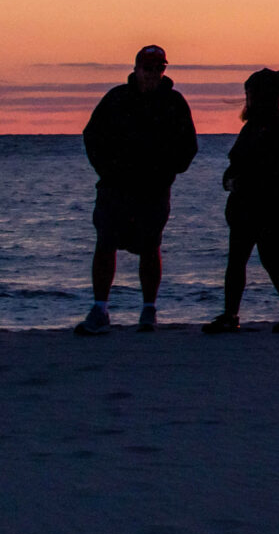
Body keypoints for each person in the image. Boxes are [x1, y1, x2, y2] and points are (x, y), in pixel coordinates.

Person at [77, 45, 198, 335]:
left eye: (159, 68)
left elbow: (188, 146)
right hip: (115, 188)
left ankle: (148, 309)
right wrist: (107, 170)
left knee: (150, 245)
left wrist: (167, 171)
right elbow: (92, 136)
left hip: (153, 190)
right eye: (148, 68)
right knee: (105, 243)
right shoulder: (116, 98)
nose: (153, 74)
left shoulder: (173, 102)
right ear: (136, 68)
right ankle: (100, 308)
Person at [203, 67, 279, 334]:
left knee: (271, 260)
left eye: (251, 93)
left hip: (270, 207)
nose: (248, 98)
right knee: (237, 261)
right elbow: (236, 163)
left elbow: (269, 166)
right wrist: (230, 180)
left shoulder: (278, 123)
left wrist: (240, 180)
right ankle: (231, 315)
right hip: (246, 207)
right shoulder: (254, 126)